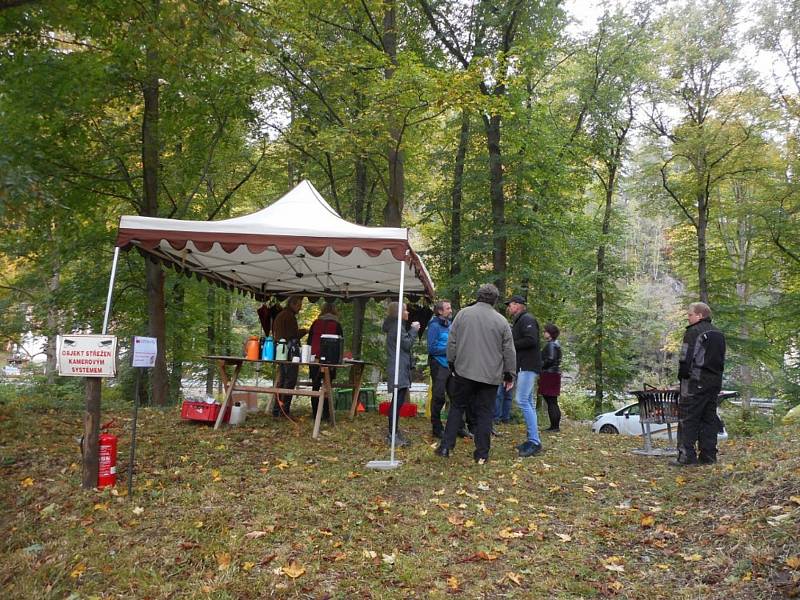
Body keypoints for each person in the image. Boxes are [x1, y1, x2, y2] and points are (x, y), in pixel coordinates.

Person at [435, 284, 515, 464]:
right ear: (495, 300)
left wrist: (451, 362)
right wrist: (509, 374)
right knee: (485, 413)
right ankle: (482, 453)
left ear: (478, 296)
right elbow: (509, 350)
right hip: (490, 375)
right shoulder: (501, 321)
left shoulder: (463, 314)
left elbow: (452, 342)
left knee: (457, 407)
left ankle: (446, 447)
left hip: (464, 371)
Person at [675, 301, 726, 466]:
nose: (688, 318)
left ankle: (686, 457)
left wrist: (682, 377)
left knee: (688, 419)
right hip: (714, 383)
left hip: (695, 382)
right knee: (709, 419)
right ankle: (709, 456)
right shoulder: (719, 333)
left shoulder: (693, 332)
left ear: (699, 315)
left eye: (690, 315)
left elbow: (686, 357)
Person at [427, 299, 473, 439]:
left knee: (457, 397)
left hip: (451, 366)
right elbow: (432, 348)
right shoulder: (434, 326)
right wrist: (450, 349)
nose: (450, 310)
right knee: (439, 397)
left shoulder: (450, 325)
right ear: (440, 311)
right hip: (439, 365)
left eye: (450, 307)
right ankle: (437, 428)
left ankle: (459, 427)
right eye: (447, 308)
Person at [505, 294, 543, 458]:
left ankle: (534, 442)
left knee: (521, 400)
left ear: (519, 305)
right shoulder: (519, 321)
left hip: (528, 365)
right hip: (524, 365)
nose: (509, 308)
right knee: (527, 401)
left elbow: (531, 340)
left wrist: (510, 344)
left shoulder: (527, 319)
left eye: (511, 304)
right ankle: (532, 439)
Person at [383, 302, 420, 447]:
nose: (408, 313)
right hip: (398, 368)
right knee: (397, 402)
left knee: (397, 401)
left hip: (399, 366)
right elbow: (407, 344)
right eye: (405, 310)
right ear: (399, 312)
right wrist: (414, 329)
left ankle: (394, 432)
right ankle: (392, 434)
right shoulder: (397, 327)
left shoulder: (396, 326)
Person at [271, 295, 308, 417]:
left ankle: (277, 409)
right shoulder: (289, 316)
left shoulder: (280, 315)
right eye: (299, 305)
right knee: (290, 380)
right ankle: (284, 410)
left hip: (280, 352)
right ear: (292, 304)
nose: (300, 308)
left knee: (282, 380)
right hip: (289, 353)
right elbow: (293, 335)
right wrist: (304, 331)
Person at [306, 302, 343, 421]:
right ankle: (326, 414)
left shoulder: (315, 323)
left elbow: (309, 341)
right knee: (327, 386)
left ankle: (315, 413)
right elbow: (340, 344)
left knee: (315, 386)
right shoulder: (336, 325)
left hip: (315, 358)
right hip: (330, 360)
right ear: (334, 311)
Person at [539, 323, 563, 432]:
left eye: (545, 331)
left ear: (550, 333)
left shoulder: (551, 345)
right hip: (554, 374)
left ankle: (554, 426)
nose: (544, 333)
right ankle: (554, 426)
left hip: (549, 374)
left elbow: (550, 359)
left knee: (551, 401)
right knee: (552, 401)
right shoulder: (555, 344)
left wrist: (540, 365)